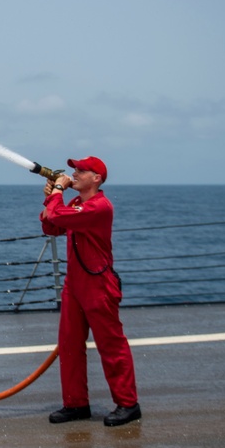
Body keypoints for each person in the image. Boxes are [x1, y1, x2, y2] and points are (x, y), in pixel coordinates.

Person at [39, 156, 140, 426]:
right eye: (74, 170)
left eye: (81, 171)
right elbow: (52, 225)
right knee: (70, 344)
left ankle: (128, 404)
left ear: (96, 178)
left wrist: (57, 192)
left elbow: (57, 215)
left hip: (98, 283)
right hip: (75, 282)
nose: (75, 173)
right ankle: (75, 404)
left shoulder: (100, 206)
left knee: (111, 345)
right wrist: (50, 197)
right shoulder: (76, 204)